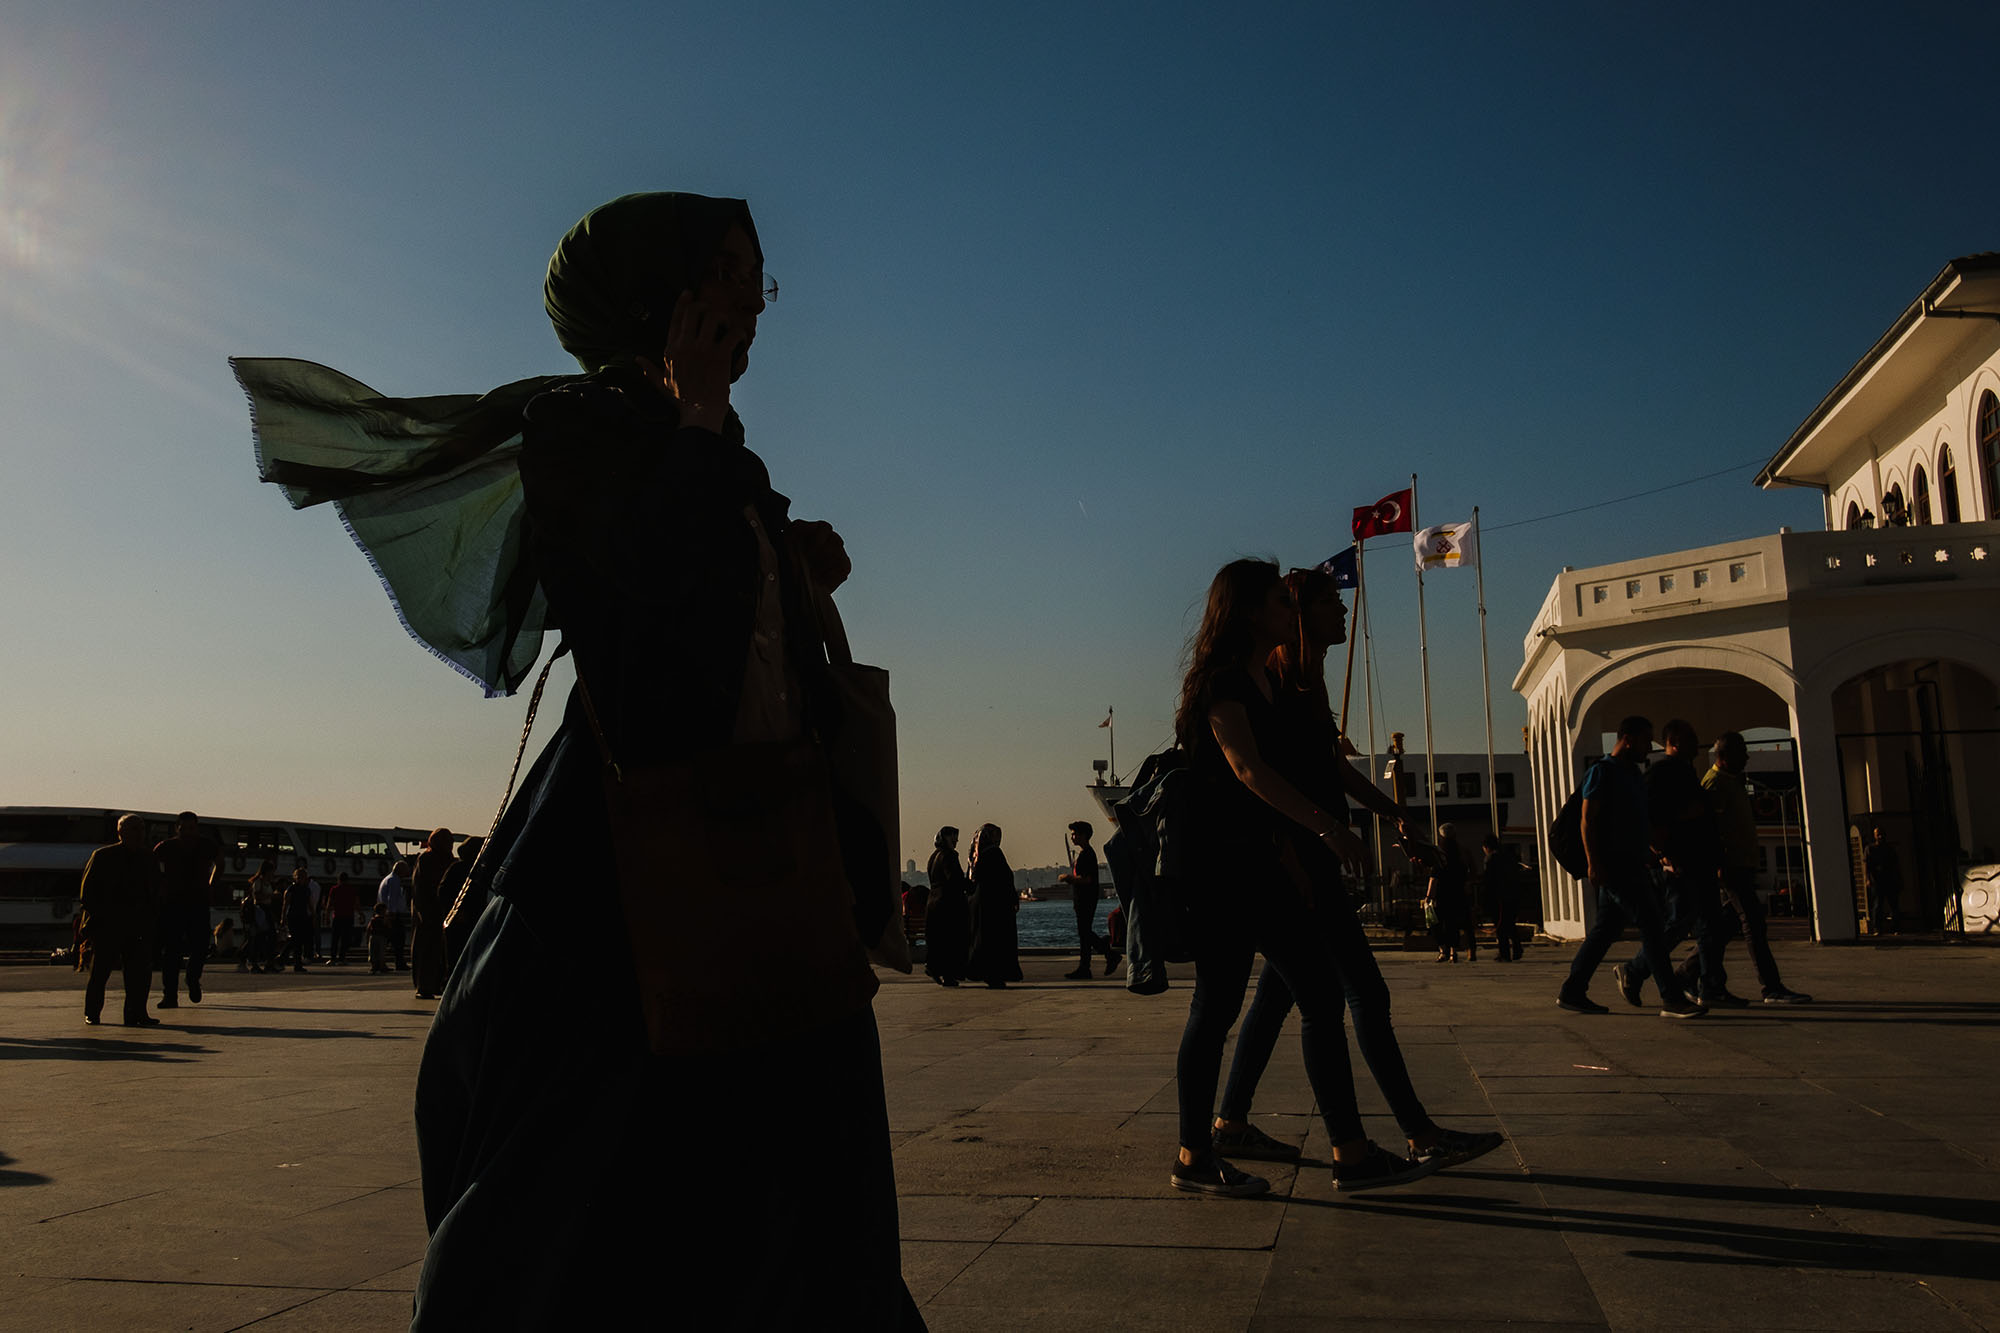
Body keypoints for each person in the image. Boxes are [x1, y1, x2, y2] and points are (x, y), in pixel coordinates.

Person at [265, 193, 929, 1326]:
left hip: (764, 856)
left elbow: (732, 634)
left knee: (813, 1209)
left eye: (753, 278)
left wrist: (785, 559)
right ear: (652, 290)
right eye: (721, 271)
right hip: (628, 880)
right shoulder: (583, 431)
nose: (743, 301)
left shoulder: (717, 447)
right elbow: (638, 653)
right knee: (562, 1205)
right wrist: (700, 425)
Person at [1198, 564, 1502, 1189]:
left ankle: (1229, 1124)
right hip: (1304, 863)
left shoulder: (1304, 683)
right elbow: (1263, 778)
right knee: (1361, 993)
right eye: (1326, 605)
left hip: (1311, 855)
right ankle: (1410, 1135)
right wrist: (1318, 840)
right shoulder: (1274, 682)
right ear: (1293, 614)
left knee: (1279, 995)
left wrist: (1393, 814)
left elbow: (1328, 769)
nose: (1343, 614)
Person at [1556, 716, 1705, 1018]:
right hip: (1615, 865)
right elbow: (1588, 820)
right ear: (1626, 738)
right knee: (1651, 925)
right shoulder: (1603, 772)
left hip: (1633, 862)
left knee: (1605, 930)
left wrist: (1657, 852)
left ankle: (1573, 990)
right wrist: (1593, 863)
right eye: (1644, 740)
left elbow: (1640, 821)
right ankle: (1671, 997)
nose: (1648, 747)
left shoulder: (1634, 775)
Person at [1677, 732, 1812, 1003]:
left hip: (1741, 864)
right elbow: (1709, 830)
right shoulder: (1714, 784)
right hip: (1731, 867)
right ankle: (1770, 986)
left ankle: (1685, 972)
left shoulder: (1732, 782)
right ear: (1724, 757)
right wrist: (1719, 862)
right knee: (1753, 925)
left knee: (1725, 926)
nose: (1747, 758)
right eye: (1742, 753)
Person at [1614, 719, 1733, 1006]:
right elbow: (1650, 816)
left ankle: (1711, 986)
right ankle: (1635, 969)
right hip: (1682, 862)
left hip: (1699, 860)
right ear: (1676, 742)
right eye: (1691, 738)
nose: (1697, 744)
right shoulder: (1663, 774)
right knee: (1680, 922)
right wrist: (1665, 851)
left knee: (1710, 925)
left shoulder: (1684, 773)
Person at [78, 814, 160, 1027]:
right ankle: (93, 1013)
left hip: (138, 924)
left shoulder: (148, 857)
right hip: (108, 924)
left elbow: (155, 890)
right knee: (100, 972)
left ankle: (136, 1014)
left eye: (142, 829)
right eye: (134, 829)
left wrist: (152, 917)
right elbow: (87, 893)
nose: (140, 833)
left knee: (138, 974)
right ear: (120, 832)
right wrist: (98, 917)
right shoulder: (102, 856)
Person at [154, 811, 220, 1007]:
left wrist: (210, 883)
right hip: (173, 904)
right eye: (184, 829)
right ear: (178, 828)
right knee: (171, 951)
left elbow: (220, 862)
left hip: (198, 902)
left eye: (191, 828)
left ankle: (192, 977)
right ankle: (170, 995)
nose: (188, 832)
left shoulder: (206, 845)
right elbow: (152, 864)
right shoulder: (167, 847)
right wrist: (161, 886)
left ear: (196, 828)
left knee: (200, 946)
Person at [966, 823, 1022, 988]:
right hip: (997, 905)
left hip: (979, 904)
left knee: (983, 940)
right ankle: (997, 974)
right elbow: (1005, 878)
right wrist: (1013, 899)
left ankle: (984, 972)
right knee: (998, 941)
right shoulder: (994, 853)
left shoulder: (974, 858)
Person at [1060, 821, 1115, 979]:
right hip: (1083, 899)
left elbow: (1087, 879)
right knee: (1084, 933)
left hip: (1086, 899)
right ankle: (1086, 966)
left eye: (1074, 834)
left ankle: (1105, 954)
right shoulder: (1085, 854)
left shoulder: (1087, 855)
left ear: (1083, 835)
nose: (1072, 837)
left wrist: (1068, 878)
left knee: (1084, 932)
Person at [924, 826, 971, 986]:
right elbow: (955, 878)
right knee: (952, 939)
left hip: (933, 902)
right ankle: (949, 975)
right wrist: (970, 885)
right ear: (947, 838)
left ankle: (935, 968)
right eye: (954, 837)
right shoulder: (949, 855)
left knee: (939, 939)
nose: (956, 840)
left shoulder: (933, 857)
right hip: (949, 903)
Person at [410, 828, 453, 999]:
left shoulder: (442, 859)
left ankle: (435, 984)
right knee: (427, 950)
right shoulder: (426, 859)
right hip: (428, 912)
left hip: (438, 912)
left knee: (438, 951)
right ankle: (425, 985)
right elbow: (421, 889)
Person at [1425, 825, 1472, 962]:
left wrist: (1428, 897)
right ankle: (1453, 951)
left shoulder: (1439, 856)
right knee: (1453, 923)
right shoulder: (1460, 854)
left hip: (1441, 895)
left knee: (1436, 924)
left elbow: (1434, 878)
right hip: (1457, 894)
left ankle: (1442, 950)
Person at [438, 837, 481, 978]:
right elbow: (444, 892)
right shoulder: (461, 869)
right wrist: (457, 912)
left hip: (464, 920)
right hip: (460, 921)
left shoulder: (461, 868)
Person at [1481, 834, 1524, 962]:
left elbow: (1488, 880)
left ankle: (1504, 952)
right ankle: (1517, 948)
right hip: (1512, 894)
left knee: (1500, 925)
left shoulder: (1490, 859)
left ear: (1486, 847)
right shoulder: (1509, 857)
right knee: (1510, 923)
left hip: (1498, 896)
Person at [1864, 825, 1903, 933]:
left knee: (1891, 905)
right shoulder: (1871, 849)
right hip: (1878, 880)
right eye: (1878, 835)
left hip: (1887, 879)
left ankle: (1894, 927)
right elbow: (1867, 865)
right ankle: (1878, 927)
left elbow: (1895, 865)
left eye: (1881, 834)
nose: (1880, 837)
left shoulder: (1888, 849)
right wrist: (1868, 878)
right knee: (1879, 905)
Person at [375, 860, 410, 972]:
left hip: (385, 913)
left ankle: (381, 963)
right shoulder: (394, 880)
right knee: (399, 939)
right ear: (400, 870)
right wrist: (392, 914)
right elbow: (392, 898)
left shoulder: (387, 879)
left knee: (388, 941)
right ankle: (399, 962)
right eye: (405, 870)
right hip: (392, 915)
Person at [281, 866, 316, 973]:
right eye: (299, 877)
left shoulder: (306, 890)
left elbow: (310, 904)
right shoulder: (291, 889)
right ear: (295, 878)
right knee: (296, 940)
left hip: (303, 916)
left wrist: (314, 916)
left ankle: (288, 959)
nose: (302, 879)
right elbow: (285, 904)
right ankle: (293, 961)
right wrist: (282, 918)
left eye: (303, 877)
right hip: (293, 916)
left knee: (299, 941)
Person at [326, 872, 359, 966]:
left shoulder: (334, 889)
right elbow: (356, 903)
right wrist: (360, 914)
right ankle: (342, 958)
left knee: (335, 938)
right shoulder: (352, 890)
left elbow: (329, 903)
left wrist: (327, 916)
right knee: (345, 939)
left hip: (337, 916)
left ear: (339, 879)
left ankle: (333, 958)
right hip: (349, 916)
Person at [365, 901, 390, 974]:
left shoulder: (373, 919)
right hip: (381, 937)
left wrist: (367, 938)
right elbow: (388, 926)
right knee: (380, 952)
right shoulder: (383, 919)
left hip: (374, 937)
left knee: (374, 952)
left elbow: (368, 929)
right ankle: (381, 966)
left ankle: (375, 966)